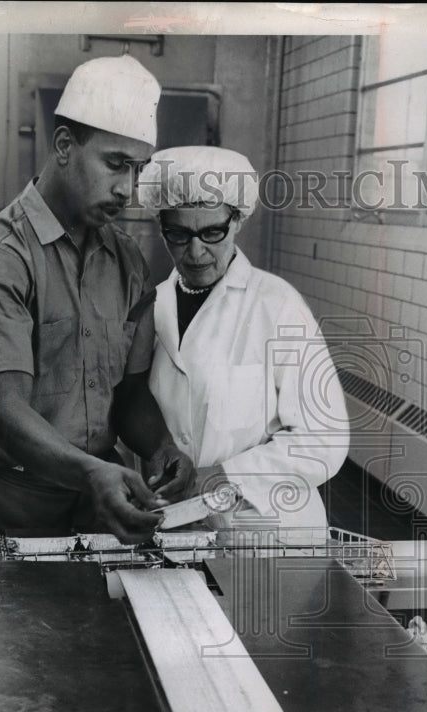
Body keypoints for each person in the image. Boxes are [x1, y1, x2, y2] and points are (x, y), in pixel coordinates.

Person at [0, 55, 193, 543]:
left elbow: (127, 392)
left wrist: (161, 446)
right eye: (115, 164)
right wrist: (90, 473)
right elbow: (8, 408)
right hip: (18, 504)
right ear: (64, 145)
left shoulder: (125, 260)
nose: (128, 189)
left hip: (103, 496)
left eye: (138, 169)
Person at [137, 146, 350, 536]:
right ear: (162, 226)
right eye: (179, 234)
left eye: (211, 232)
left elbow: (324, 440)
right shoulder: (154, 306)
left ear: (236, 221)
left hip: (267, 531)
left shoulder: (277, 303)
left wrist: (224, 476)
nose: (196, 251)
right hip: (177, 528)